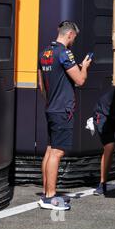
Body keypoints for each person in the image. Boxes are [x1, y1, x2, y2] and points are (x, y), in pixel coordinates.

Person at [38, 21, 92, 210]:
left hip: (51, 107)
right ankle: (50, 197)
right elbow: (80, 80)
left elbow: (41, 86)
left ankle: (46, 192)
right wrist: (84, 67)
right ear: (69, 34)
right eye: (73, 38)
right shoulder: (64, 53)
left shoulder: (44, 52)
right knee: (58, 152)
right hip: (63, 110)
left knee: (51, 149)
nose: (73, 42)